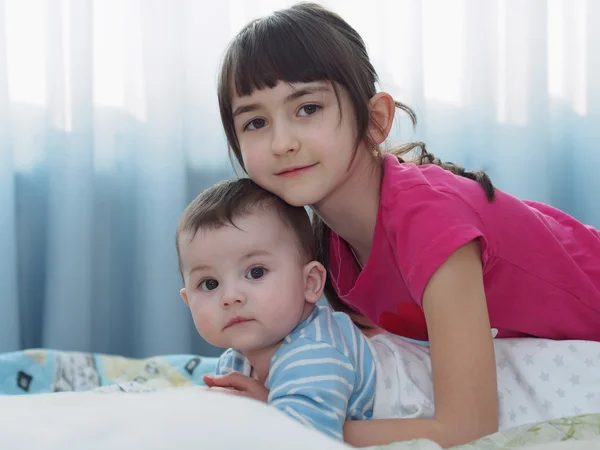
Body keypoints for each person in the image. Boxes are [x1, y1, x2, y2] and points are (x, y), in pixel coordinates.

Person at [213, 2, 600, 447]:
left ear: (376, 120)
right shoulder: (330, 246)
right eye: (256, 121)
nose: (282, 142)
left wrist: (287, 421)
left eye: (308, 108)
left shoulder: (429, 223)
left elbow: (467, 427)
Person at [175, 178, 378, 441]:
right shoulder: (236, 361)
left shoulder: (315, 353)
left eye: (256, 272)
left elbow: (303, 441)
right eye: (209, 283)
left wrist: (267, 411)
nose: (230, 297)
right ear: (188, 301)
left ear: (310, 282)